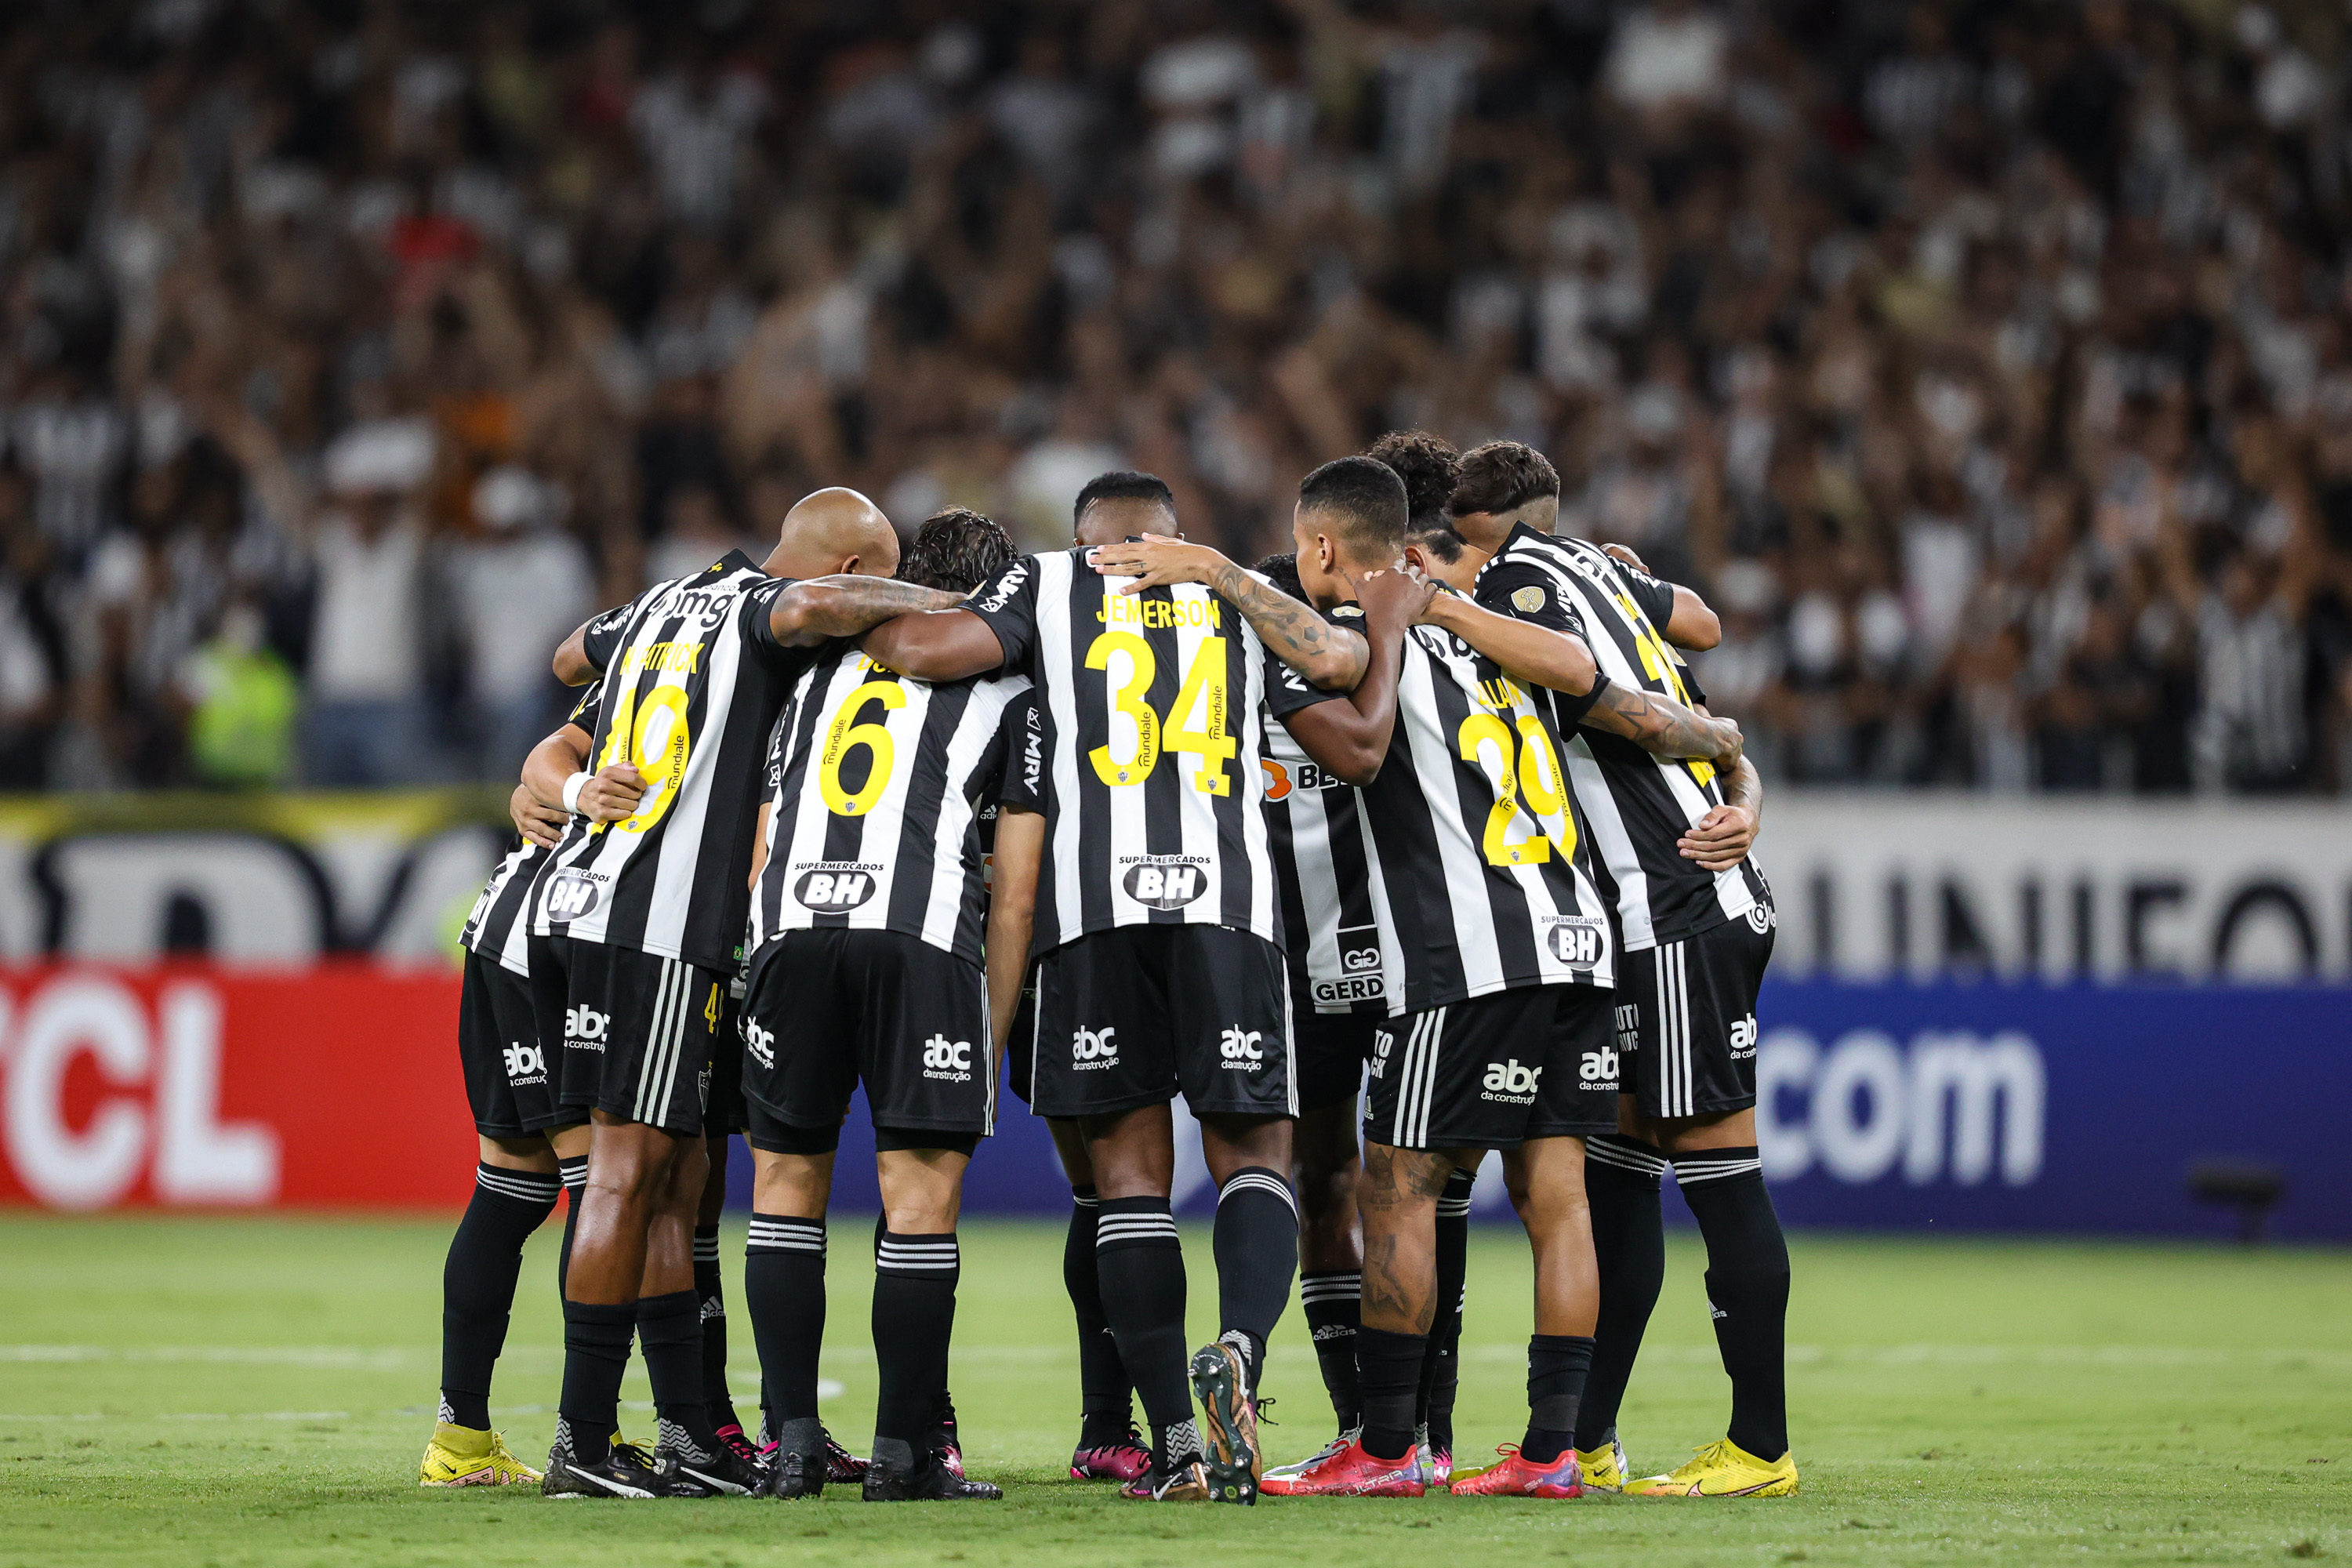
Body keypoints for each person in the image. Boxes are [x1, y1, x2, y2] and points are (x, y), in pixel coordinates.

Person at [1181, 456, 1736, 1500]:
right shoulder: (1501, 637)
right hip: (1579, 941)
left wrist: (1223, 576)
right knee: (1555, 1197)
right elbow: (1595, 678)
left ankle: (1386, 1448)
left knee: (1393, 1185)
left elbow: (1335, 679)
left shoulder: (1376, 635)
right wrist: (1731, 753)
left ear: (1328, 550)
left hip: (1470, 952)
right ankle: (1550, 1451)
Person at [862, 470, 1376, 1504]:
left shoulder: (1040, 584)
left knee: (1126, 1183)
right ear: (1171, 535)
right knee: (1255, 1159)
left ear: (1088, 538)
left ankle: (1179, 1447)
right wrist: (1223, 572)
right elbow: (1342, 670)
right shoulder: (1234, 600)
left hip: (1087, 919)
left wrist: (840, 604)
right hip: (1225, 912)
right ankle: (1237, 1345)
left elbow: (924, 651)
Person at [528, 488, 961, 1499]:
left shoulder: (664, 600)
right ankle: (581, 1443)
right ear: (851, 574)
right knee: (628, 1173)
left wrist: (561, 782)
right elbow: (808, 610)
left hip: (603, 905)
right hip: (663, 923)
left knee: (677, 1179)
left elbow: (563, 659)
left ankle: (686, 1432)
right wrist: (937, 592)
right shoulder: (769, 607)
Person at [1447, 439, 1795, 1499]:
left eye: (1450, 553)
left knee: (1718, 1171)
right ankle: (1586, 1438)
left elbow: (1593, 682)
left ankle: (1761, 1447)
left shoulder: (1512, 581)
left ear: (1487, 537)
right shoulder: (1606, 575)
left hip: (1678, 903)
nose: (1442, 573)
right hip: (1657, 909)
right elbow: (1702, 628)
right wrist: (1746, 781)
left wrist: (1449, 609)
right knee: (1620, 1170)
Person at [735, 507, 1025, 1504]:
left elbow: (765, 835)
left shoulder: (804, 674)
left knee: (782, 1192)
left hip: (789, 931)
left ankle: (792, 1447)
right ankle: (904, 1453)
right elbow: (1017, 877)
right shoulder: (1009, 682)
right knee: (918, 1203)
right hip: (920, 937)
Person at [419, 685, 602, 1487]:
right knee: (606, 1186)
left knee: (514, 1188)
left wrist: (542, 788)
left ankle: (460, 1440)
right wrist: (552, 790)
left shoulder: (646, 642)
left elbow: (564, 692)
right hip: (564, 930)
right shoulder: (736, 646)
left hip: (505, 924)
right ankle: (590, 1436)